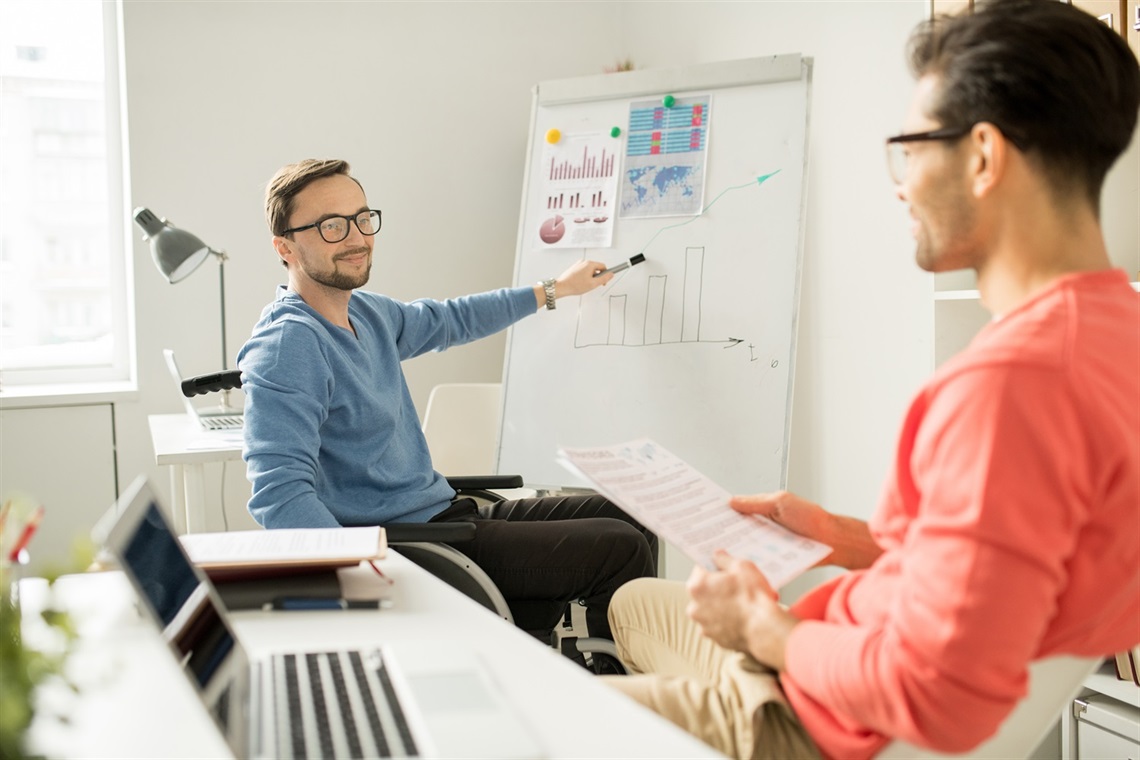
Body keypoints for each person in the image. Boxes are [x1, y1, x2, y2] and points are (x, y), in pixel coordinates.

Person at [602, 1, 1140, 757]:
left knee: (503, 711)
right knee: (636, 603)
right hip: (831, 656)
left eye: (912, 148)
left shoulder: (1009, 390)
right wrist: (840, 538)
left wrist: (765, 627)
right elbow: (999, 585)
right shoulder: (1116, 335)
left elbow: (939, 694)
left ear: (983, 158)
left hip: (815, 720)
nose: (901, 184)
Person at [238, 158, 657, 644]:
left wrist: (555, 289)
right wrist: (360, 578)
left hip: (448, 517)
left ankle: (614, 660)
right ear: (284, 247)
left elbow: (453, 319)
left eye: (361, 218)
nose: (356, 237)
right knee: (618, 547)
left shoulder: (367, 313)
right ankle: (621, 686)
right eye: (331, 226)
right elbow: (278, 496)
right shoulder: (289, 345)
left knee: (636, 513)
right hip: (416, 546)